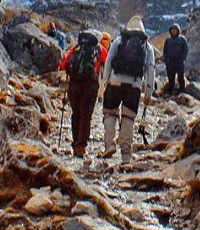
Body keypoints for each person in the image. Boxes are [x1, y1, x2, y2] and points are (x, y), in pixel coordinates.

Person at [99, 15, 156, 164]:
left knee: (110, 113)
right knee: (128, 118)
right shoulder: (147, 46)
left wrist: (105, 83)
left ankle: (110, 145)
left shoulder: (119, 40)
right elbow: (150, 70)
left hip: (115, 81)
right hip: (134, 85)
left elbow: (109, 62)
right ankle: (126, 154)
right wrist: (148, 92)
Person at [60, 29, 108, 158]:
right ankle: (81, 146)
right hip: (90, 86)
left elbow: (63, 65)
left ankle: (75, 144)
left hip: (74, 85)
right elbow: (108, 64)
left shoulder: (76, 47)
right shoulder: (99, 49)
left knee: (76, 114)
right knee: (86, 116)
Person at [163, 23, 189, 94]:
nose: (173, 31)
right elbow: (165, 51)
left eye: (175, 30)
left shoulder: (182, 39)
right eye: (172, 30)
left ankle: (182, 91)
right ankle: (169, 92)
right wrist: (166, 60)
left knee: (180, 77)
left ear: (178, 31)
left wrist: (183, 57)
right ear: (170, 31)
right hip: (170, 62)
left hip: (179, 61)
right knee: (171, 77)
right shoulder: (168, 40)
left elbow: (186, 49)